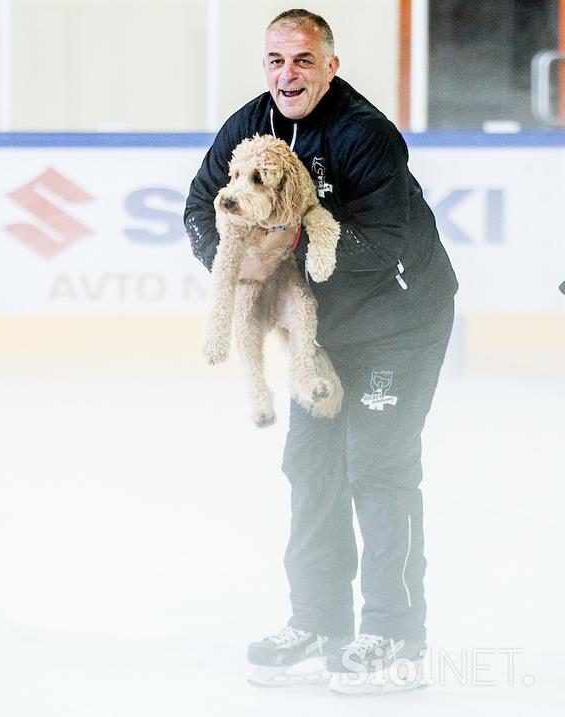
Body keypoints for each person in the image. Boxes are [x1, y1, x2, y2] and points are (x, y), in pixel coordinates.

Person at [184, 8, 458, 695]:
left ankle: (396, 637)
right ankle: (320, 623)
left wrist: (290, 246)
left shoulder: (365, 133)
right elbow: (200, 207)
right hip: (324, 333)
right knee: (310, 467)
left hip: (401, 319)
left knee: (378, 465)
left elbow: (384, 244)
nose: (288, 74)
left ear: (330, 65)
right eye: (276, 60)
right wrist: (235, 262)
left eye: (304, 60)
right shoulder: (248, 127)